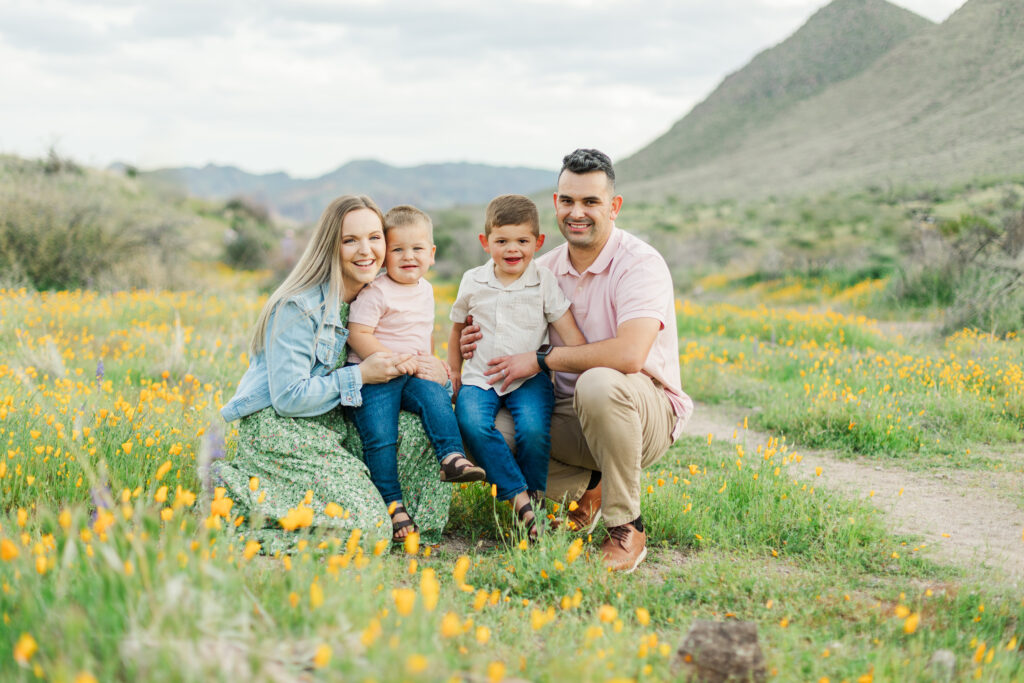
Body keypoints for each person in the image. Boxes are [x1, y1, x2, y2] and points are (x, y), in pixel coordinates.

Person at [462, 149, 693, 572]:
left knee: (599, 382)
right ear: (555, 204)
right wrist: (471, 341)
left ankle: (627, 526)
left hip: (641, 411)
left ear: (614, 207)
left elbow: (629, 354)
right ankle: (590, 486)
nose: (577, 212)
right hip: (567, 414)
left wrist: (543, 359)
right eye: (568, 201)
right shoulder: (540, 269)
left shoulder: (640, 264)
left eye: (590, 202)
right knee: (478, 427)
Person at [215, 195, 453, 553]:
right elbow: (288, 398)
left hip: (334, 423)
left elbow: (411, 354)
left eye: (375, 237)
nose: (366, 250)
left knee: (421, 433)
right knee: (370, 529)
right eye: (350, 240)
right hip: (284, 429)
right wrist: (361, 376)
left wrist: (439, 371)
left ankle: (390, 514)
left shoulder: (377, 298)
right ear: (331, 246)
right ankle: (231, 499)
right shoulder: (298, 307)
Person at [448, 195, 586, 541]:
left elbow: (572, 336)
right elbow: (456, 326)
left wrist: (583, 360)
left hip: (530, 378)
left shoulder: (544, 282)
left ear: (538, 242)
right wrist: (454, 370)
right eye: (502, 241)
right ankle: (521, 500)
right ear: (485, 242)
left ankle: (536, 502)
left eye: (523, 241)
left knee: (535, 430)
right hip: (481, 376)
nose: (513, 249)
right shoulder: (473, 281)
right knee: (472, 424)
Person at [346, 205, 486, 540]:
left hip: (410, 372)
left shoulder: (425, 289)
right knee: (381, 434)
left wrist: (432, 362)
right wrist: (389, 359)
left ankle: (451, 456)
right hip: (376, 374)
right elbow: (358, 333)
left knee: (436, 396)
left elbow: (423, 332)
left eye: (417, 248)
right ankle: (393, 504)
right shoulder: (376, 291)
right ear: (384, 256)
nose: (408, 256)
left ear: (432, 254)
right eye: (398, 249)